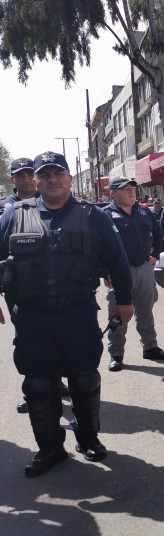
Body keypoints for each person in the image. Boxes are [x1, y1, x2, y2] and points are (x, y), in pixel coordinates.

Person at [0, 151, 134, 476]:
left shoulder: (93, 216)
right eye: (44, 174)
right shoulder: (13, 216)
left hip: (78, 314)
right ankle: (50, 450)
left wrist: (125, 300)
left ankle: (88, 439)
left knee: (84, 380)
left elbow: (117, 259)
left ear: (70, 178)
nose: (52, 179)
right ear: (35, 180)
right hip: (31, 318)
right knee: (38, 385)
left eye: (58, 173)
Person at [2, 157, 69, 414]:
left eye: (31, 174)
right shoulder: (7, 210)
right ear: (13, 179)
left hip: (53, 287)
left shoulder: (52, 204)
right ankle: (33, 391)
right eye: (21, 175)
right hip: (19, 289)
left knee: (59, 337)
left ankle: (56, 380)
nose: (27, 179)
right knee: (28, 343)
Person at [104, 177, 164, 372]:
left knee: (146, 311)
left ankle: (150, 347)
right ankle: (116, 354)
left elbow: (158, 235)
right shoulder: (105, 215)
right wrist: (105, 272)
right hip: (119, 272)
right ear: (113, 193)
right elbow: (98, 246)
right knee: (118, 314)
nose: (131, 191)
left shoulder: (144, 212)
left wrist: (154, 255)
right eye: (124, 189)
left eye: (132, 188)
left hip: (144, 268)